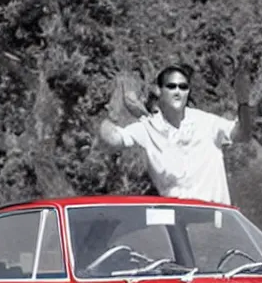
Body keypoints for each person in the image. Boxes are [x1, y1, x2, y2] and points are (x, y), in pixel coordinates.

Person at [99, 61, 252, 204]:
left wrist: (243, 102)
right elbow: (113, 139)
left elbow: (243, 134)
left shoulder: (207, 122)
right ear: (160, 91)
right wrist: (112, 111)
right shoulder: (147, 127)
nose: (178, 92)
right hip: (177, 220)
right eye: (171, 86)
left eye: (183, 87)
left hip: (214, 219)